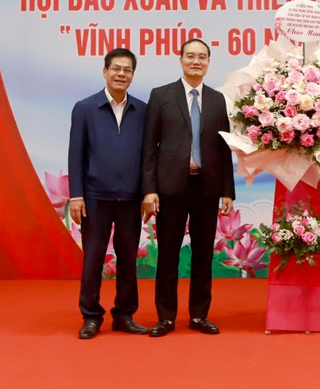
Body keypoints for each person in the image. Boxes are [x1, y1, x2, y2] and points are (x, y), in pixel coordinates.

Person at [142, 38, 235, 337]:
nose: (196, 61)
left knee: (203, 255)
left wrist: (227, 191)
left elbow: (224, 148)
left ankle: (199, 315)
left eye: (202, 57)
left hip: (206, 188)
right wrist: (149, 188)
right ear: (180, 60)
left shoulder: (219, 99)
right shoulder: (161, 96)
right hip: (170, 188)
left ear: (209, 62)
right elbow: (149, 147)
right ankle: (166, 317)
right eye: (190, 56)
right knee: (168, 253)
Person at [68, 48, 148, 339]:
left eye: (127, 70)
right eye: (116, 68)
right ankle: (90, 316)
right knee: (93, 258)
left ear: (132, 75)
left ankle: (125, 315)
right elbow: (75, 154)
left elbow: (148, 157)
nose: (121, 74)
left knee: (128, 260)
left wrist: (147, 192)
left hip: (130, 198)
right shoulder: (85, 108)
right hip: (94, 198)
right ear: (105, 71)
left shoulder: (142, 110)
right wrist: (76, 195)